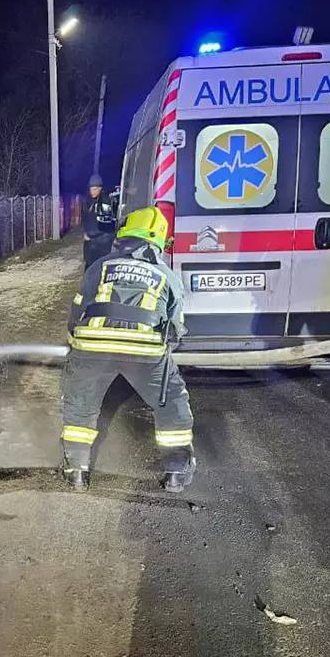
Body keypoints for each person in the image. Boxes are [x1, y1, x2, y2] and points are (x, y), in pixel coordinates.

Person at [61, 206, 196, 492]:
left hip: (93, 343)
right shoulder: (166, 275)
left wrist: (75, 344)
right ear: (159, 241)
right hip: (144, 348)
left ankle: (76, 472)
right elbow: (175, 328)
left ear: (124, 235)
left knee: (81, 405)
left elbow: (77, 310)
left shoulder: (100, 265)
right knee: (171, 404)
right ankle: (176, 474)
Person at [82, 174, 118, 268]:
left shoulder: (104, 201)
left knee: (97, 268)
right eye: (91, 189)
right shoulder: (91, 201)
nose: (92, 191)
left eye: (94, 189)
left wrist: (90, 235)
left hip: (101, 243)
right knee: (90, 267)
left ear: (100, 188)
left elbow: (106, 225)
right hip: (93, 243)